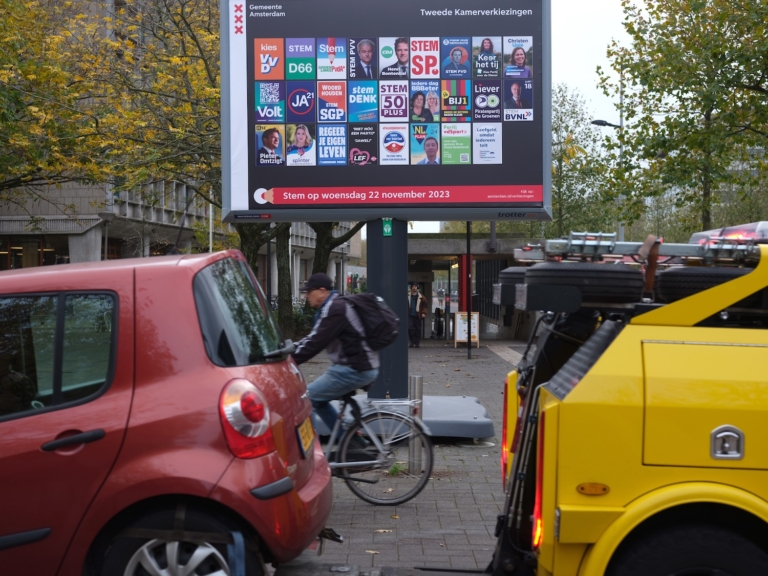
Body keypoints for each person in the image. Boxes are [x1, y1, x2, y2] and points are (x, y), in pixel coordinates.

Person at [292, 273, 379, 442]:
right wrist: (289, 349)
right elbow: (313, 338)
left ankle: (313, 456)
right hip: (354, 367)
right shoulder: (333, 306)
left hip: (354, 369)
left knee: (307, 399)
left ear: (322, 291)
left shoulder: (335, 308)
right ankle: (352, 444)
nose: (306, 296)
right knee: (318, 401)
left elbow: (315, 343)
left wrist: (290, 360)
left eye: (309, 291)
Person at [407, 283, 427, 347]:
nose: (414, 288)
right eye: (413, 286)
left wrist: (423, 313)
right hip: (410, 315)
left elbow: (425, 306)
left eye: (415, 286)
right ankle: (412, 341)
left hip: (418, 315)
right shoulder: (408, 296)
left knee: (418, 329)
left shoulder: (421, 297)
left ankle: (417, 343)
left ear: (417, 288)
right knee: (410, 328)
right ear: (411, 288)